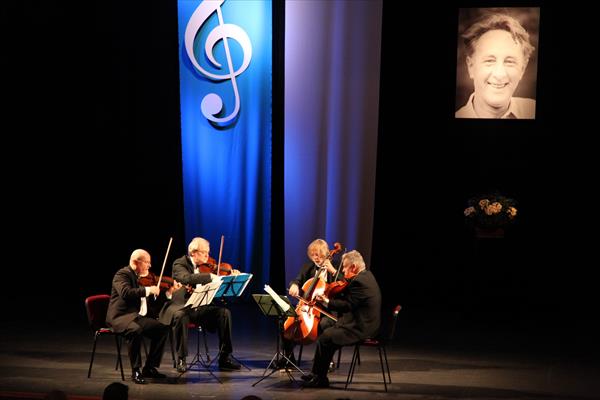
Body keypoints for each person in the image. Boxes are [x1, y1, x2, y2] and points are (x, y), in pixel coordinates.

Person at [159, 237, 242, 372]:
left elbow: (217, 288)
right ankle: (182, 359)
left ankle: (225, 357)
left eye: (208, 253)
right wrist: (210, 277)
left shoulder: (207, 268)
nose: (207, 256)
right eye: (204, 252)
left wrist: (230, 277)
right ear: (193, 253)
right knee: (180, 316)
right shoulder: (179, 263)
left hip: (201, 307)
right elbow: (186, 278)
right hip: (183, 306)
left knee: (224, 313)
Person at [301, 250, 381, 388]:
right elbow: (351, 300)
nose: (342, 270)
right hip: (362, 322)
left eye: (344, 267)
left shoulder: (359, 282)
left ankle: (320, 378)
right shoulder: (366, 275)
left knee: (326, 338)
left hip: (361, 327)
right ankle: (317, 374)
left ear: (353, 267)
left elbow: (347, 306)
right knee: (327, 333)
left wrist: (326, 301)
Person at [106, 249, 170, 384]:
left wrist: (167, 293)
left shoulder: (139, 277)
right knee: (135, 330)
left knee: (162, 329)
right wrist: (148, 290)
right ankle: (136, 370)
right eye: (147, 262)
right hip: (120, 317)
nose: (149, 266)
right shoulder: (122, 274)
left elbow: (150, 302)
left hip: (135, 316)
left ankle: (150, 367)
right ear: (136, 262)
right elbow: (126, 293)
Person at [455, 12, 536, 119]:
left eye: (509, 62)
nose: (499, 74)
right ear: (471, 67)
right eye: (490, 61)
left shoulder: (532, 111)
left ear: (522, 69)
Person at [277, 239, 342, 369]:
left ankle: (326, 359)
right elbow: (297, 280)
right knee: (284, 321)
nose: (315, 258)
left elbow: (345, 283)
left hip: (328, 310)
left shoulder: (336, 266)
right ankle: (288, 357)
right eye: (313, 255)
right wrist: (294, 285)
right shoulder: (308, 267)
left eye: (318, 255)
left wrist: (332, 270)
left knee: (325, 324)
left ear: (326, 253)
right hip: (308, 308)